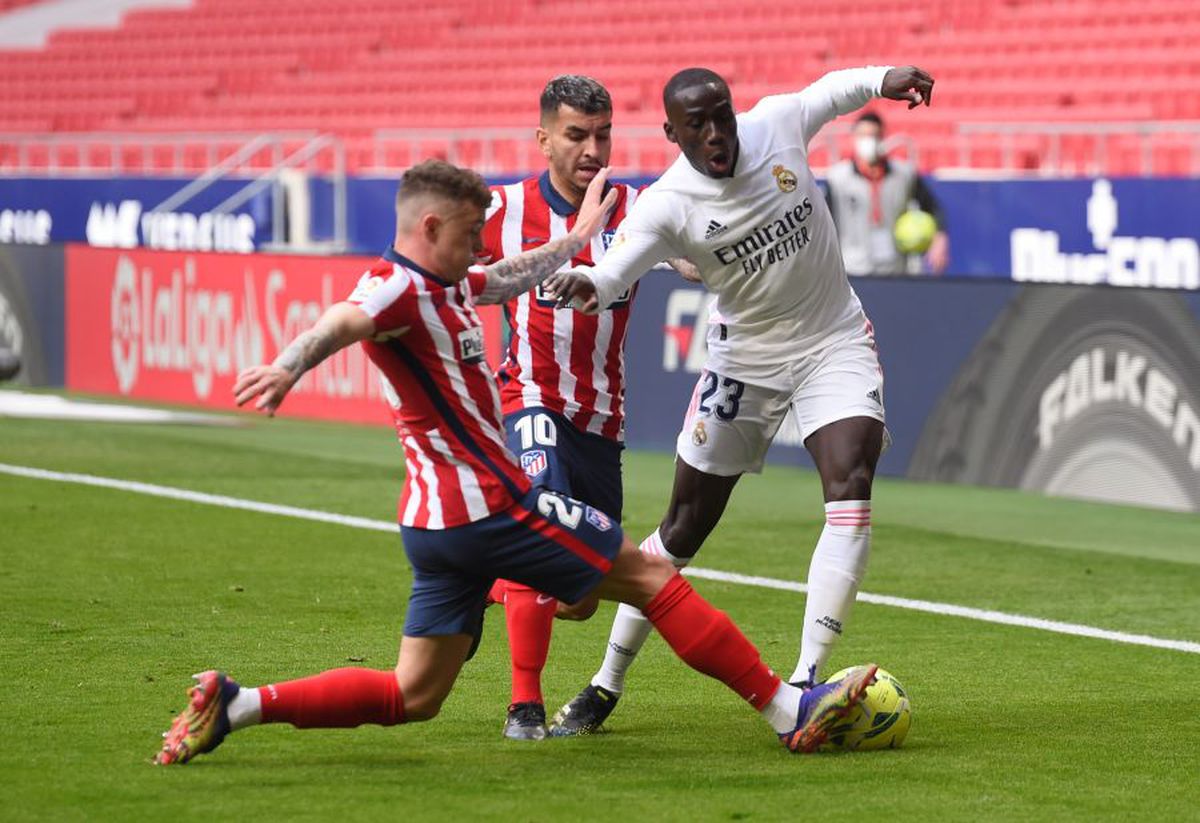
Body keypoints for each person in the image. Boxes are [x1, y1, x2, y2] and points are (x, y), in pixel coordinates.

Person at [153, 158, 877, 766]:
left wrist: (579, 239)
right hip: (492, 505)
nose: (479, 246)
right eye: (469, 233)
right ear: (429, 227)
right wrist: (288, 365)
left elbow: (503, 277)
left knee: (414, 693)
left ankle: (238, 705)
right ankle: (790, 711)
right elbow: (344, 318)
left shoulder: (446, 281)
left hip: (436, 526)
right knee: (650, 576)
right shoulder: (397, 287)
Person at [544, 65, 933, 735]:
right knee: (683, 528)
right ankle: (606, 682)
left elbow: (830, 92)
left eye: (721, 116)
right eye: (696, 125)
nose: (716, 134)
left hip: (832, 339)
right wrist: (589, 285)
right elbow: (614, 271)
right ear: (672, 133)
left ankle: (807, 684)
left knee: (852, 482)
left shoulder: (775, 124)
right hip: (744, 361)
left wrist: (884, 79)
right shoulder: (667, 203)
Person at [480, 74, 699, 741]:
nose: (593, 150)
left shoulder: (637, 209)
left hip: (602, 419)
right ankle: (524, 707)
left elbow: (694, 263)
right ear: (543, 139)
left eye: (603, 134)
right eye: (576, 135)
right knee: (542, 533)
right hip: (531, 399)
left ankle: (480, 573)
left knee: (577, 596)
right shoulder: (502, 209)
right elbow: (438, 264)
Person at [825, 111, 949, 275]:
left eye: (874, 136)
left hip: (895, 268)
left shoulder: (904, 174)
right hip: (852, 267)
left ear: (883, 138)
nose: (868, 141)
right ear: (853, 137)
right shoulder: (838, 178)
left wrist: (940, 238)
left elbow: (932, 207)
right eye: (863, 135)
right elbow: (824, 223)